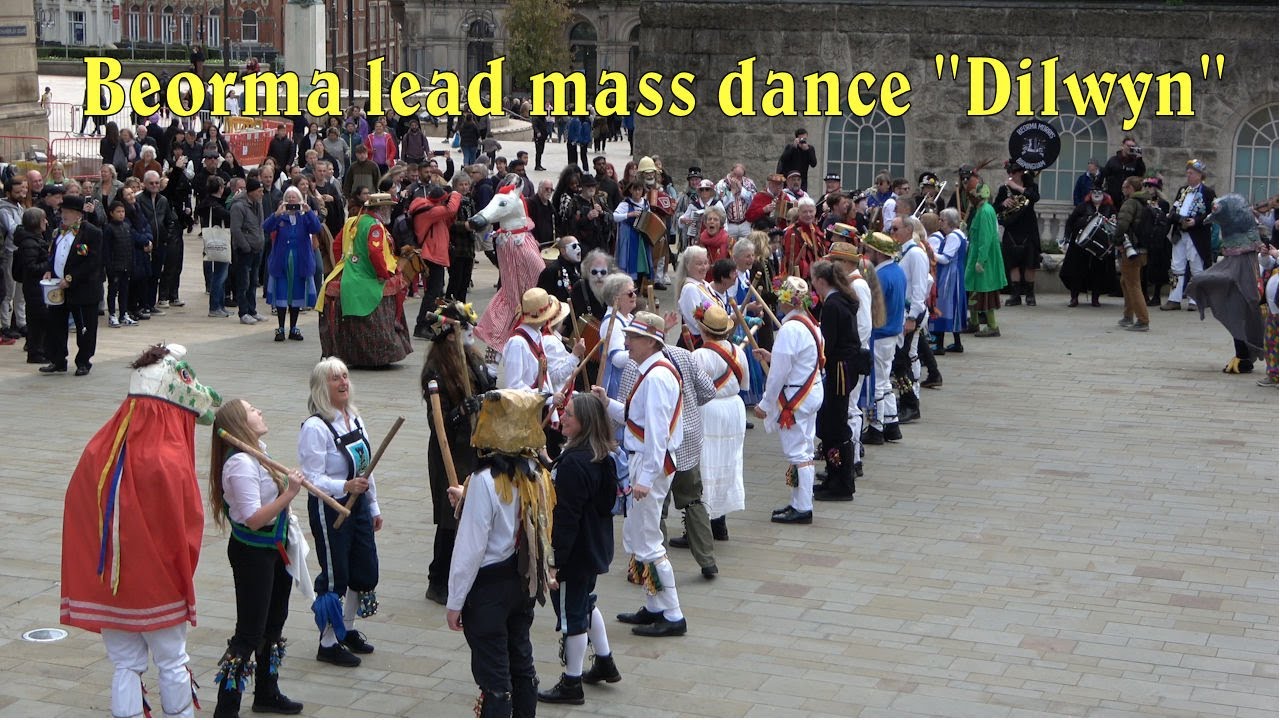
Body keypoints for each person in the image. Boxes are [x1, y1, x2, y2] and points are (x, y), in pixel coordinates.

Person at [61, 344, 221, 719]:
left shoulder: (96, 449)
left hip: (109, 584)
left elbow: (78, 513)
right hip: (158, 582)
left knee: (125, 664)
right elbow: (186, 525)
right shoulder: (167, 459)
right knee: (171, 660)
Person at [445, 389, 555, 718]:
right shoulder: (534, 474)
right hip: (521, 585)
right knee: (522, 665)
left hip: (489, 591)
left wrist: (454, 601)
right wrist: (467, 497)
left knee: (495, 679)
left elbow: (471, 547)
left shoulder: (484, 481)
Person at [208, 400, 308, 718]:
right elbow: (252, 518)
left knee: (274, 624)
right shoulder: (240, 464)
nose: (260, 411)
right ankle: (226, 709)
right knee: (249, 633)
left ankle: (267, 691)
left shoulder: (256, 453)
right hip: (252, 553)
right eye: (252, 410)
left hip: (273, 548)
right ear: (239, 422)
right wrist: (289, 493)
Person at [594, 312, 689, 636]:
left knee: (648, 540)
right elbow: (638, 420)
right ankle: (653, 606)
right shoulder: (651, 371)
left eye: (632, 337)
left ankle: (673, 613)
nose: (625, 342)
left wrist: (646, 479)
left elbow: (658, 434)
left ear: (650, 341)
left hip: (650, 463)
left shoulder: (658, 376)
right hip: (644, 459)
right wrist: (607, 403)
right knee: (638, 537)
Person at [537, 394, 622, 705]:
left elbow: (566, 518)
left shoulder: (574, 463)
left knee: (572, 615)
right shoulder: (602, 456)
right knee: (585, 602)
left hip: (574, 553)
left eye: (569, 414)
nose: (564, 417)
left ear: (584, 423)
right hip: (594, 548)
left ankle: (571, 682)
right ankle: (604, 661)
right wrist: (547, 461)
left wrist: (555, 562)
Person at [299, 357, 383, 668]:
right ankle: (328, 641)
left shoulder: (355, 419)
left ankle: (346, 628)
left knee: (364, 570)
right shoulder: (315, 427)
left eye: (345, 376)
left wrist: (372, 505)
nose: (343, 382)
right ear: (323, 387)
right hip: (330, 508)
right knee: (336, 576)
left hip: (357, 505)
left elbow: (367, 468)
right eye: (335, 378)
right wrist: (344, 485)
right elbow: (311, 479)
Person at [419, 301, 494, 605]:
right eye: (464, 326)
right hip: (449, 451)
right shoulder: (435, 371)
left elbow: (488, 387)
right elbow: (439, 422)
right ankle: (438, 580)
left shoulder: (472, 358)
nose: (471, 331)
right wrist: (463, 410)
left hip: (474, 447)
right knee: (451, 517)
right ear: (449, 333)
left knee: (472, 513)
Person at [751, 276, 824, 524]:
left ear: (785, 303)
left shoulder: (789, 330)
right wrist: (773, 355)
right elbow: (801, 361)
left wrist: (764, 404)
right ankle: (799, 502)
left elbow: (778, 374)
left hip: (796, 397)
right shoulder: (811, 326)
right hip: (811, 390)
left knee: (798, 452)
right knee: (803, 448)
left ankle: (803, 506)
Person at [317, 193, 414, 368]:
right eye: (389, 207)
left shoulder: (352, 221)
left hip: (347, 274)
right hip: (367, 278)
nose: (390, 211)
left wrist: (346, 263)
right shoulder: (375, 226)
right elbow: (375, 253)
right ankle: (380, 354)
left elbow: (337, 245)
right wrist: (383, 274)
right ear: (381, 208)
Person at [1187, 194, 1266, 372]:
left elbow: (1231, 272)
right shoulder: (1239, 245)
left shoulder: (1245, 253)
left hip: (1247, 292)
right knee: (1237, 316)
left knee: (1242, 317)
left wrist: (1203, 279)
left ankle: (1244, 357)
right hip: (1240, 291)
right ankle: (1242, 356)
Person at [690, 304, 747, 537]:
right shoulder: (737, 351)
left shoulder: (699, 355)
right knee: (727, 463)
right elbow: (745, 385)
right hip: (734, 409)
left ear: (703, 330)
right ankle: (719, 523)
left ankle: (699, 527)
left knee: (704, 465)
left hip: (709, 411)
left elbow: (690, 389)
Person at [810, 259, 864, 502]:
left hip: (840, 368)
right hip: (844, 365)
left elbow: (827, 345)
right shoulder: (840, 300)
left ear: (822, 281)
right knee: (832, 423)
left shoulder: (832, 304)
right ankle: (835, 474)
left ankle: (842, 479)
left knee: (836, 424)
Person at [40, 195, 102, 376]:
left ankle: (83, 361)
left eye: (68, 212)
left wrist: (71, 278)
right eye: (62, 212)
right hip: (58, 287)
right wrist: (48, 270)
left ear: (78, 215)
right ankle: (58, 360)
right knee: (56, 325)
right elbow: (52, 254)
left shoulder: (92, 232)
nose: (64, 215)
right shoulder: (58, 231)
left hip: (82, 289)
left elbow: (92, 262)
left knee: (85, 327)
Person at [862, 232, 905, 445]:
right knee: (885, 381)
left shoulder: (880, 276)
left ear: (878, 253)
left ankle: (876, 426)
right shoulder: (897, 271)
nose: (867, 254)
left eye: (869, 250)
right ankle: (892, 422)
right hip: (892, 331)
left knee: (876, 382)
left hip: (880, 333)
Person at [264, 186, 322, 341]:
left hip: (300, 260)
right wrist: (276, 214)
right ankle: (281, 328)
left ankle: (294, 327)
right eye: (288, 197)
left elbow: (316, 228)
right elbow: (266, 227)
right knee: (282, 293)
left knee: (296, 294)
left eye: (294, 197)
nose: (291, 200)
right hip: (281, 261)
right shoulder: (280, 218)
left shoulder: (304, 218)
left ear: (300, 199)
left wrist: (309, 211)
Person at [1164, 159, 1217, 312]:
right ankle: (1174, 298)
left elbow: (1212, 214)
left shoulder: (1208, 192)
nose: (1188, 176)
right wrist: (1180, 220)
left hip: (1197, 235)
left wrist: (1196, 221)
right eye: (1187, 173)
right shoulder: (1182, 190)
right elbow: (1173, 210)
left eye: (1191, 173)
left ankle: (1196, 300)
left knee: (1197, 267)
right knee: (1176, 266)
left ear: (1200, 175)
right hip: (1180, 232)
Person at [960, 165, 1005, 337]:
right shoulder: (980, 210)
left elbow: (986, 239)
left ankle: (993, 326)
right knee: (973, 289)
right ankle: (974, 322)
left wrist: (981, 260)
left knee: (985, 291)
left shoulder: (985, 211)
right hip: (975, 255)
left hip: (983, 258)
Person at [1059, 180, 1117, 307]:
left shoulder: (1110, 208)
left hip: (1100, 247)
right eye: (1094, 192)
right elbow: (1070, 223)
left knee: (1099, 271)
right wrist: (1067, 238)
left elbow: (1115, 227)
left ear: (1104, 193)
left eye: (1099, 192)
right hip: (1080, 245)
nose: (1096, 194)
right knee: (1076, 270)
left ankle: (1095, 298)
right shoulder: (1082, 206)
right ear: (1090, 193)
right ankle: (1074, 297)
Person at [994, 162, 1041, 306]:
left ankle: (1030, 295)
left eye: (1015, 172)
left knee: (1030, 263)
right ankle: (1015, 295)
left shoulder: (1031, 186)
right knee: (1013, 263)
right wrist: (1003, 203)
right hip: (1012, 228)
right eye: (1011, 172)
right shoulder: (1004, 189)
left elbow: (1035, 197)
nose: (1012, 175)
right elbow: (995, 207)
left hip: (1028, 228)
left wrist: (1017, 188)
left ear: (1021, 172)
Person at [13, 208, 50, 363]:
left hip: (36, 287)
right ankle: (36, 352)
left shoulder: (35, 239)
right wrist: (49, 264)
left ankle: (39, 350)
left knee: (38, 320)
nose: (46, 222)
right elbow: (31, 267)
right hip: (34, 287)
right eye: (44, 220)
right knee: (38, 321)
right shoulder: (29, 243)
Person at [930, 208, 969, 353]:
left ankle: (939, 345)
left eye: (943, 220)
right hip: (955, 274)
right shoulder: (959, 235)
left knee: (942, 305)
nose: (940, 222)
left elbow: (945, 258)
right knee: (953, 308)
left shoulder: (953, 236)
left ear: (950, 222)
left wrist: (930, 252)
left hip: (949, 276)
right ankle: (957, 342)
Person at [675, 246, 714, 348]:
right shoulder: (690, 289)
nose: (704, 267)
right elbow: (698, 321)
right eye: (699, 264)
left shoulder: (705, 284)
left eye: (705, 263)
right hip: (697, 344)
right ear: (687, 266)